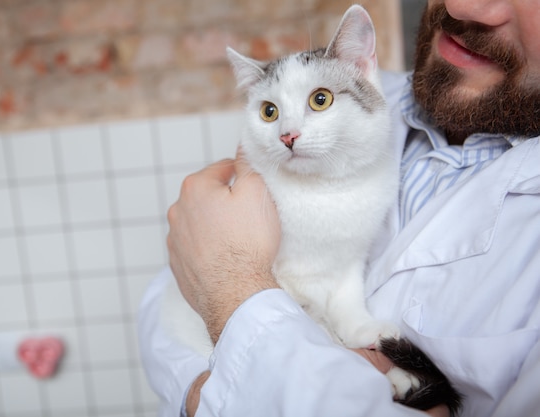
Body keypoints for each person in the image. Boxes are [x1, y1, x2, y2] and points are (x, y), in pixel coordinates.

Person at [138, 0, 540, 416]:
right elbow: (170, 297)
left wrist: (235, 312)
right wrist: (202, 390)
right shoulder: (357, 104)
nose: (288, 133)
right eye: (270, 111)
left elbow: (219, 281)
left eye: (319, 100)